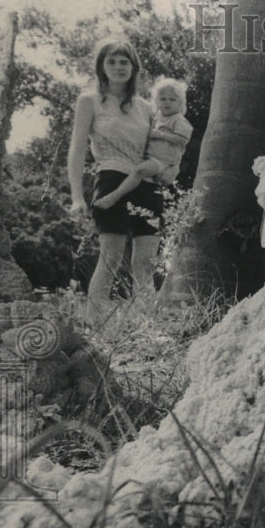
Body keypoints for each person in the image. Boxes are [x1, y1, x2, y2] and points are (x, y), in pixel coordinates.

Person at [67, 37, 163, 318]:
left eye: (125, 62)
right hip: (110, 180)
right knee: (110, 257)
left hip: (147, 185)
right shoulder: (89, 100)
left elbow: (161, 150)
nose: (119, 67)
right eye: (112, 61)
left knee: (145, 263)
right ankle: (96, 328)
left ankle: (146, 329)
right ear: (101, 66)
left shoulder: (146, 107)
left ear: (134, 68)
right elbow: (76, 149)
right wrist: (77, 196)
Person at [94, 78, 193, 210]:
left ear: (180, 104)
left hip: (162, 161)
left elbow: (183, 140)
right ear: (156, 101)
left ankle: (113, 197)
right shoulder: (156, 118)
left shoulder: (178, 119)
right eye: (163, 99)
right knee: (139, 175)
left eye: (172, 99)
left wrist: (161, 135)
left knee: (138, 171)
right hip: (149, 157)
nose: (167, 102)